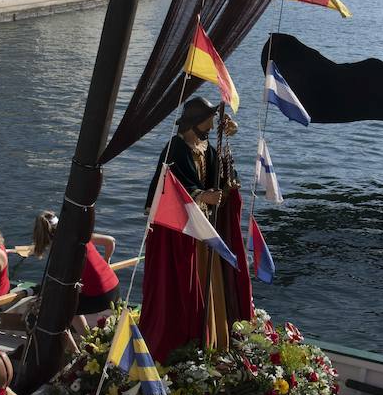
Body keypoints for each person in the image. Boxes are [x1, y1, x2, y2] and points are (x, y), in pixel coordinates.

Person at [140, 96, 252, 362]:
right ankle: (184, 341)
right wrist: (201, 195)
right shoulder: (176, 148)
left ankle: (211, 338)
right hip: (182, 234)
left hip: (204, 230)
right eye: (210, 119)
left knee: (208, 285)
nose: (213, 125)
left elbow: (223, 176)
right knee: (187, 288)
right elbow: (167, 189)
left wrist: (228, 141)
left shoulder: (204, 146)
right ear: (196, 121)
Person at [31, 210, 119, 330]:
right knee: (73, 305)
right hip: (115, 287)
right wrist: (106, 262)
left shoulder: (60, 253)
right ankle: (86, 338)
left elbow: (62, 285)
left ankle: (78, 345)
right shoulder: (81, 236)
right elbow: (110, 241)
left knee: (60, 310)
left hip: (101, 296)